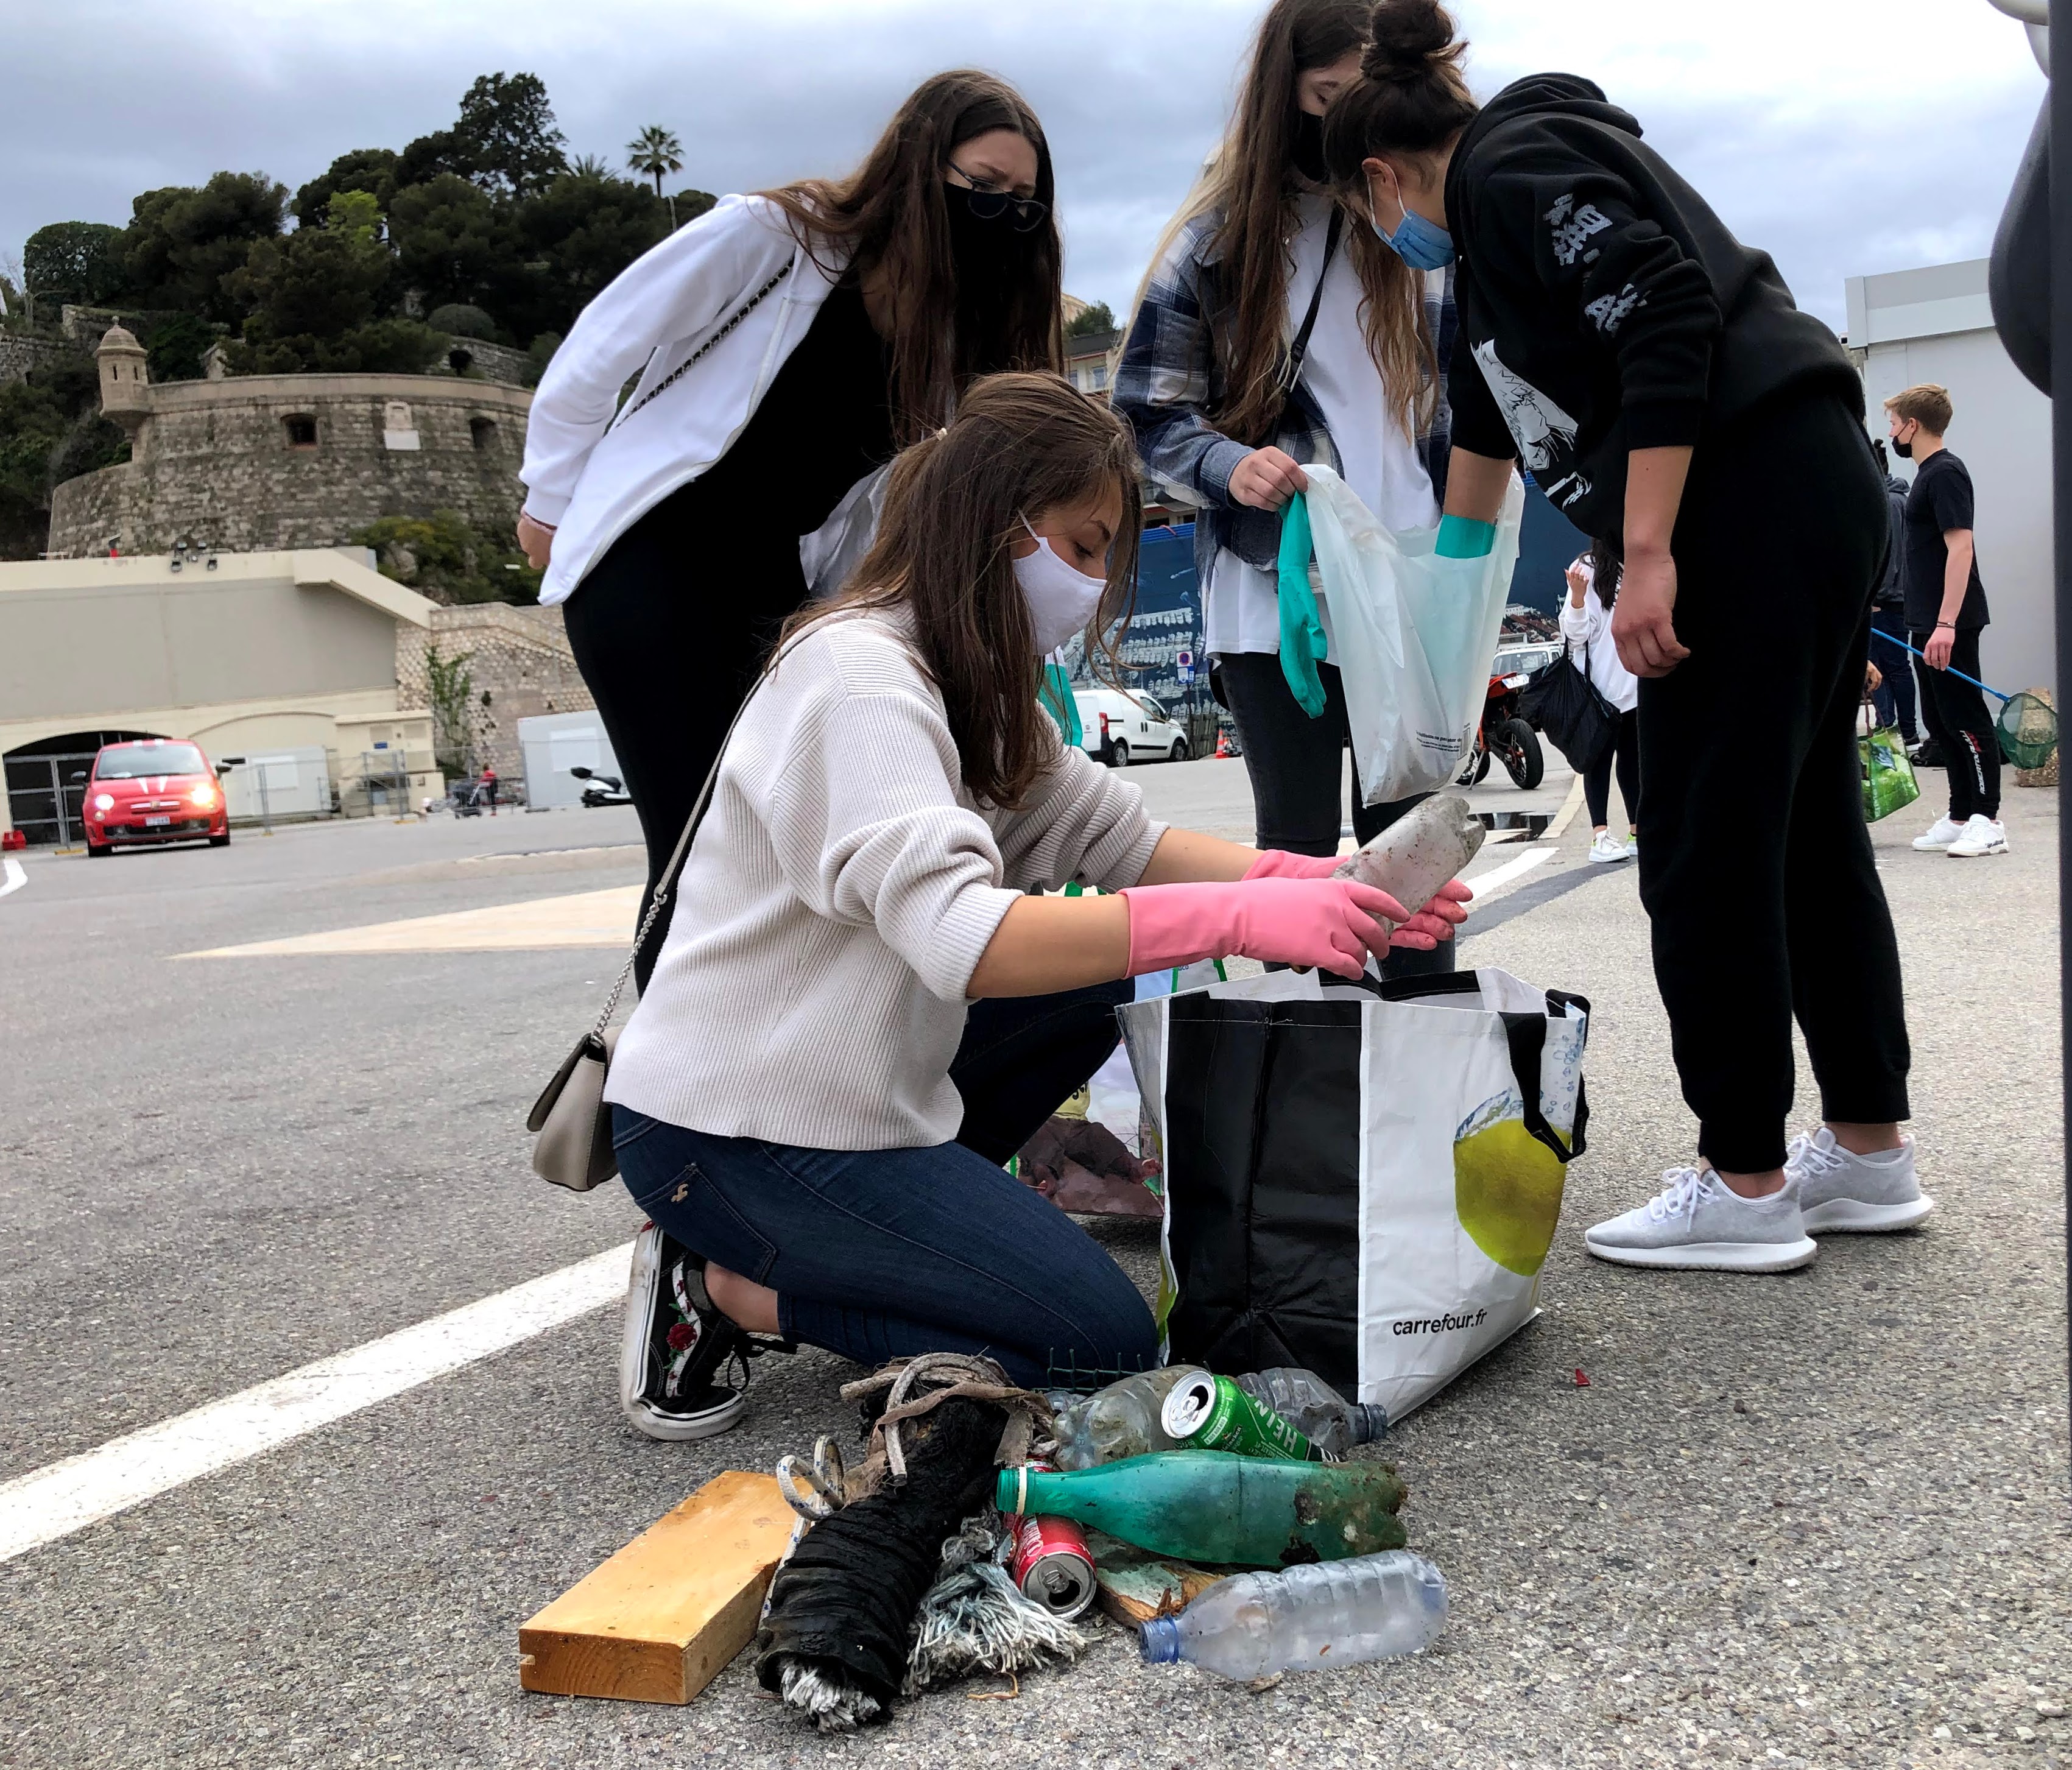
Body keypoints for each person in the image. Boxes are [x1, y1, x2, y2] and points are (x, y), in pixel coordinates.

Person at [603, 375, 1470, 1438]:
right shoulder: (860, 680)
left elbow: (1127, 844)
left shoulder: (971, 683)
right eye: (1083, 545)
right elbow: (964, 940)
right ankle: (728, 1289)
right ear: (992, 521)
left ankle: (910, 1244)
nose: (1094, 582)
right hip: (734, 1130)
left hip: (849, 1087)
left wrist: (1317, 884)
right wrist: (1241, 922)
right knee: (1093, 1343)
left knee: (1096, 976)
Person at [1324, 0, 1934, 1273]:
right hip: (1806, 480)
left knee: (1703, 843)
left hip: (1741, 495)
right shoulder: (1485, 267)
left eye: (1364, 213)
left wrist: (1646, 550)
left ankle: (1744, 1179)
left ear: (1381, 176)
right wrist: (1439, 661)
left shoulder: (1509, 166)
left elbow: (1663, 312)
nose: (1386, 240)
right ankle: (1868, 1149)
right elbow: (1480, 456)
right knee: (1805, 829)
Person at [518, 71, 1065, 989]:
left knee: (767, 847)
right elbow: (600, 348)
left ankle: (750, 1053)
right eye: (983, 187)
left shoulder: (946, 337)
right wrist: (548, 500)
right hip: (651, 559)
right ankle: (668, 1069)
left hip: (774, 587)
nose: (1001, 214)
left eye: (1022, 200)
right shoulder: (779, 237)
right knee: (695, 841)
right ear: (920, 166)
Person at [1112, 0, 1456, 982]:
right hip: (1278, 591)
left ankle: (1427, 1062)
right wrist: (1230, 465)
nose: (1346, 122)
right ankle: (1313, 1069)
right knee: (1299, 862)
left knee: (1418, 864)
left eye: (1365, 96)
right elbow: (1142, 418)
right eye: (1325, 96)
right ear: (1283, 93)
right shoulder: (1220, 242)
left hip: (1412, 581)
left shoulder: (1423, 219)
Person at [1886, 385, 2004, 858]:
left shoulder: (1946, 472)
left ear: (1913, 425)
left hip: (1950, 622)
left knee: (1965, 716)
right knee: (1939, 719)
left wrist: (1947, 624)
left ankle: (1988, 819)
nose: (1891, 433)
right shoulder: (1925, 476)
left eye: (1894, 424)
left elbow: (1961, 547)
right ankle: (1960, 815)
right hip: (1924, 620)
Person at [1559, 548, 1638, 863]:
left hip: (1634, 685)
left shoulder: (1636, 561)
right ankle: (1600, 836)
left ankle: (1637, 832)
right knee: (1598, 763)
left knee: (1633, 762)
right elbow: (1574, 636)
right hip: (1598, 691)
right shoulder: (1585, 568)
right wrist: (1578, 598)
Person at [1867, 437, 1919, 746]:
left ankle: (1902, 733)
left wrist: (1876, 598)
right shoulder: (1896, 499)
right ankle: (1894, 731)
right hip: (1892, 600)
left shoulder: (1889, 502)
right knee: (1889, 667)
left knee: (1891, 668)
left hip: (1888, 602)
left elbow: (1893, 556)